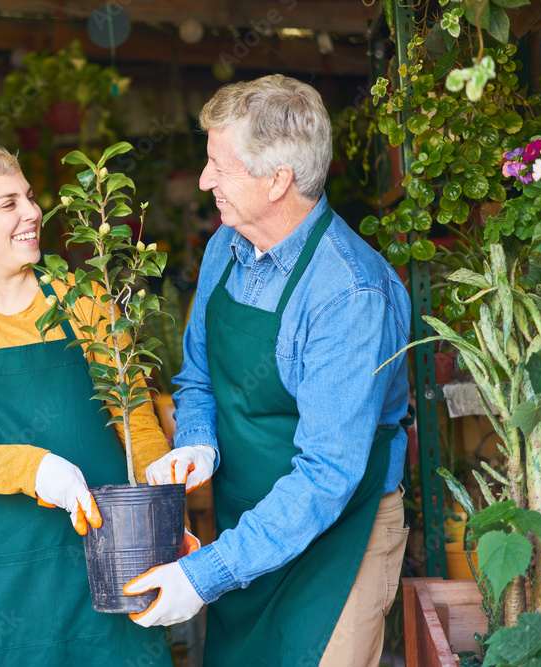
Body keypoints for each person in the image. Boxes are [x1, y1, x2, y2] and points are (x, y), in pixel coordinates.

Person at [124, 75, 413, 667]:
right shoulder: (224, 249)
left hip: (341, 536)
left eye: (219, 167)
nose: (204, 181)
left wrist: (204, 574)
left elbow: (328, 475)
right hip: (248, 531)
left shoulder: (350, 293)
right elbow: (197, 377)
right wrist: (197, 441)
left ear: (278, 180)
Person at [0, 146, 175, 666]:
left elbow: (136, 422)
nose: (32, 212)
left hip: (107, 574)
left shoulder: (86, 302)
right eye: (8, 204)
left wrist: (163, 515)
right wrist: (32, 468)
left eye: (29, 197)